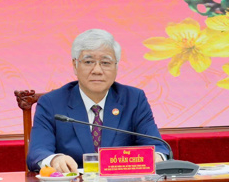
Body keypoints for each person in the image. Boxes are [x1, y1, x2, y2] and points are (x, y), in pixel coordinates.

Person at [27, 29, 169, 173]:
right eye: (88, 62)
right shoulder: (51, 103)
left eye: (105, 63)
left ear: (116, 67)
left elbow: (158, 147)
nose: (97, 70)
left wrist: (157, 157)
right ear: (75, 65)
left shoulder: (134, 99)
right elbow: (38, 152)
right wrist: (54, 160)